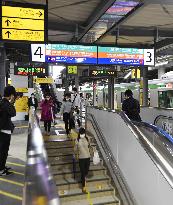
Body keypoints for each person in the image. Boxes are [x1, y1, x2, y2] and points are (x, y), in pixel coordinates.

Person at [0, 86, 16, 176]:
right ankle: (1, 170)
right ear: (11, 95)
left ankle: (2, 166)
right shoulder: (5, 103)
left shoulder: (3, 102)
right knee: (3, 151)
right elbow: (13, 113)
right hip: (4, 131)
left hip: (3, 130)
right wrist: (12, 102)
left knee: (3, 151)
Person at [75, 127, 91, 193]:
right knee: (82, 172)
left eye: (83, 133)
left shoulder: (87, 138)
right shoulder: (77, 140)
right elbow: (75, 149)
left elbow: (89, 146)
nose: (82, 134)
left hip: (88, 157)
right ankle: (83, 186)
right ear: (79, 133)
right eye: (81, 133)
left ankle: (83, 178)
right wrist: (76, 151)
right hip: (81, 158)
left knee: (86, 171)